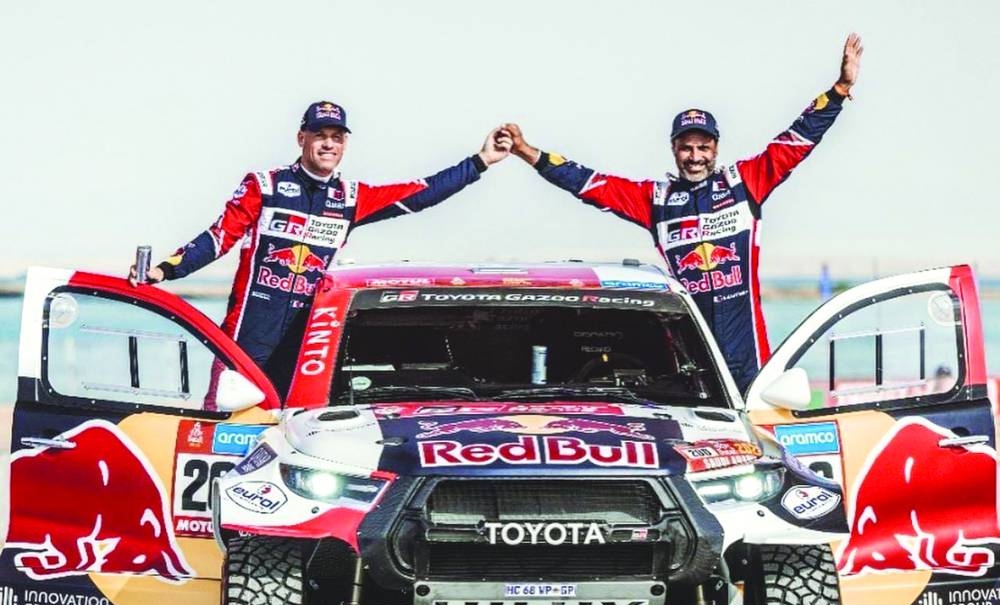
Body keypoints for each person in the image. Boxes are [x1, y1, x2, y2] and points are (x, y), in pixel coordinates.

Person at [504, 34, 863, 394]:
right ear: (674, 149)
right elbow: (588, 183)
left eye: (703, 148)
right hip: (693, 356)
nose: (695, 156)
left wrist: (840, 89)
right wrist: (526, 152)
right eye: (686, 148)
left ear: (715, 148)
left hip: (750, 357)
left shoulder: (745, 182)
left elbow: (797, 140)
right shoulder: (655, 199)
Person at [130, 101, 512, 388]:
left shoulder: (350, 197)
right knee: (226, 424)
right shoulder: (265, 185)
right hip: (249, 332)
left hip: (307, 336)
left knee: (290, 428)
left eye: (337, 137)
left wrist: (481, 161)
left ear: (344, 144)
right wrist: (165, 270)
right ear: (302, 138)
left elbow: (422, 193)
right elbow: (217, 238)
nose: (328, 144)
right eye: (320, 135)